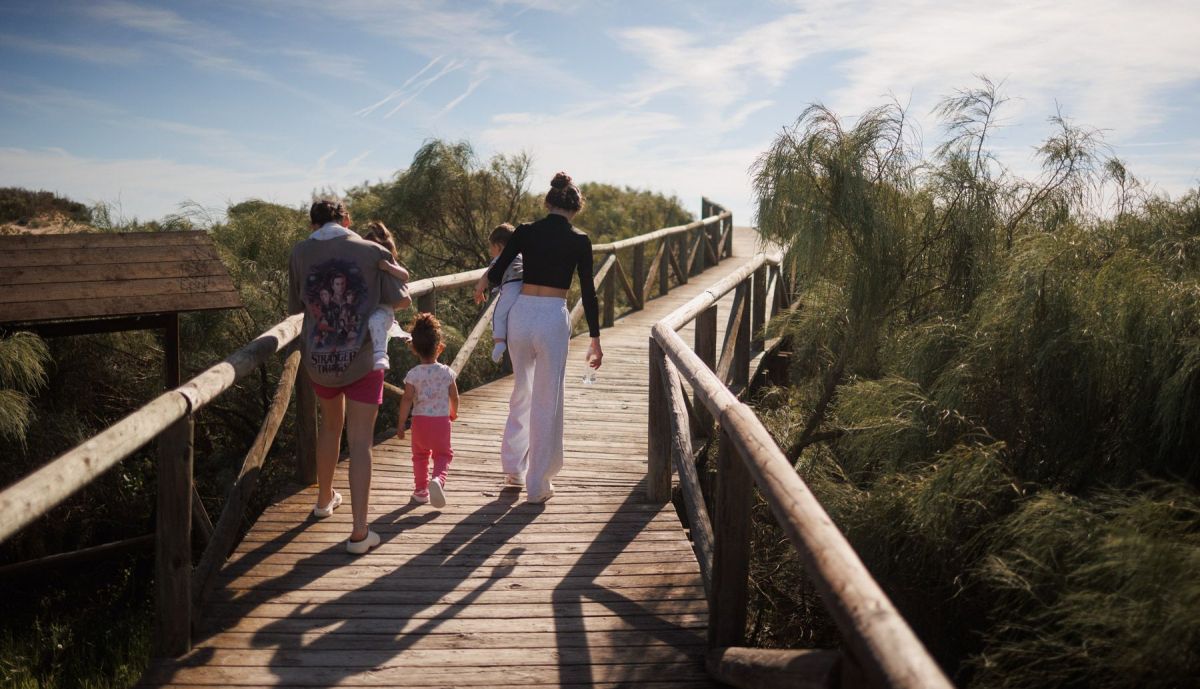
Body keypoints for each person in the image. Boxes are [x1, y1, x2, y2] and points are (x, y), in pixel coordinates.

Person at [288, 198, 411, 554]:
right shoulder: (371, 250)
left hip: (320, 361)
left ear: (313, 225)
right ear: (346, 219)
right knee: (360, 442)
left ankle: (324, 500)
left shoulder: (299, 253)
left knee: (330, 426)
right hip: (362, 359)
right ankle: (359, 532)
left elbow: (297, 307)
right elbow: (400, 300)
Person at [473, 172, 603, 503]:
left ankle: (513, 470)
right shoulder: (580, 240)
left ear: (547, 203)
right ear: (575, 209)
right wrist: (595, 338)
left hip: (521, 314)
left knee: (522, 392)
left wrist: (482, 282)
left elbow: (500, 270)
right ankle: (537, 484)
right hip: (551, 316)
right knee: (547, 400)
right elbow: (588, 292)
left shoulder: (526, 232)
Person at [396, 313, 459, 508]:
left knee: (420, 456)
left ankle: (421, 491)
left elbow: (407, 400)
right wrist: (453, 411)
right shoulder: (447, 372)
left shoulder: (413, 375)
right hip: (441, 421)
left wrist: (400, 424)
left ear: (414, 349)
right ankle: (438, 480)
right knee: (442, 455)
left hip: (419, 423)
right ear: (439, 347)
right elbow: (454, 396)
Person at [361, 221, 413, 369]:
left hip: (383, 310)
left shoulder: (387, 262)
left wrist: (389, 267)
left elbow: (405, 275)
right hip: (367, 309)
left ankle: (380, 355)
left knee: (376, 320)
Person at [484, 223, 524, 363]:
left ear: (499, 246)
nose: (490, 251)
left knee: (498, 314)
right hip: (525, 288)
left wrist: (478, 288)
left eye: (491, 247)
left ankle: (499, 342)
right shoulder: (521, 255)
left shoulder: (499, 258)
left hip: (511, 287)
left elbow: (488, 274)